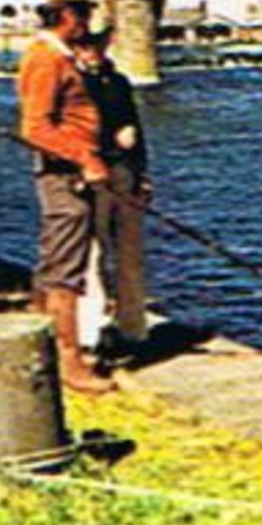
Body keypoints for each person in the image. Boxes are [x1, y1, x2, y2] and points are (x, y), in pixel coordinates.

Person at [16, 0, 115, 394]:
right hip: (65, 176)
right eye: (84, 16)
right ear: (68, 16)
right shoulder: (46, 59)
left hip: (70, 171)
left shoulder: (59, 57)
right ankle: (69, 363)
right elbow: (35, 127)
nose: (88, 25)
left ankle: (43, 350)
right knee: (66, 271)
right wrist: (86, 158)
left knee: (57, 261)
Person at [73, 26, 151, 350]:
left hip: (125, 172)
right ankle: (90, 331)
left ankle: (133, 326)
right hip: (93, 172)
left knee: (129, 250)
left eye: (97, 45)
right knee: (93, 251)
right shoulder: (73, 84)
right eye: (85, 46)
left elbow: (135, 127)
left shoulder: (118, 82)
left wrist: (144, 174)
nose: (92, 51)